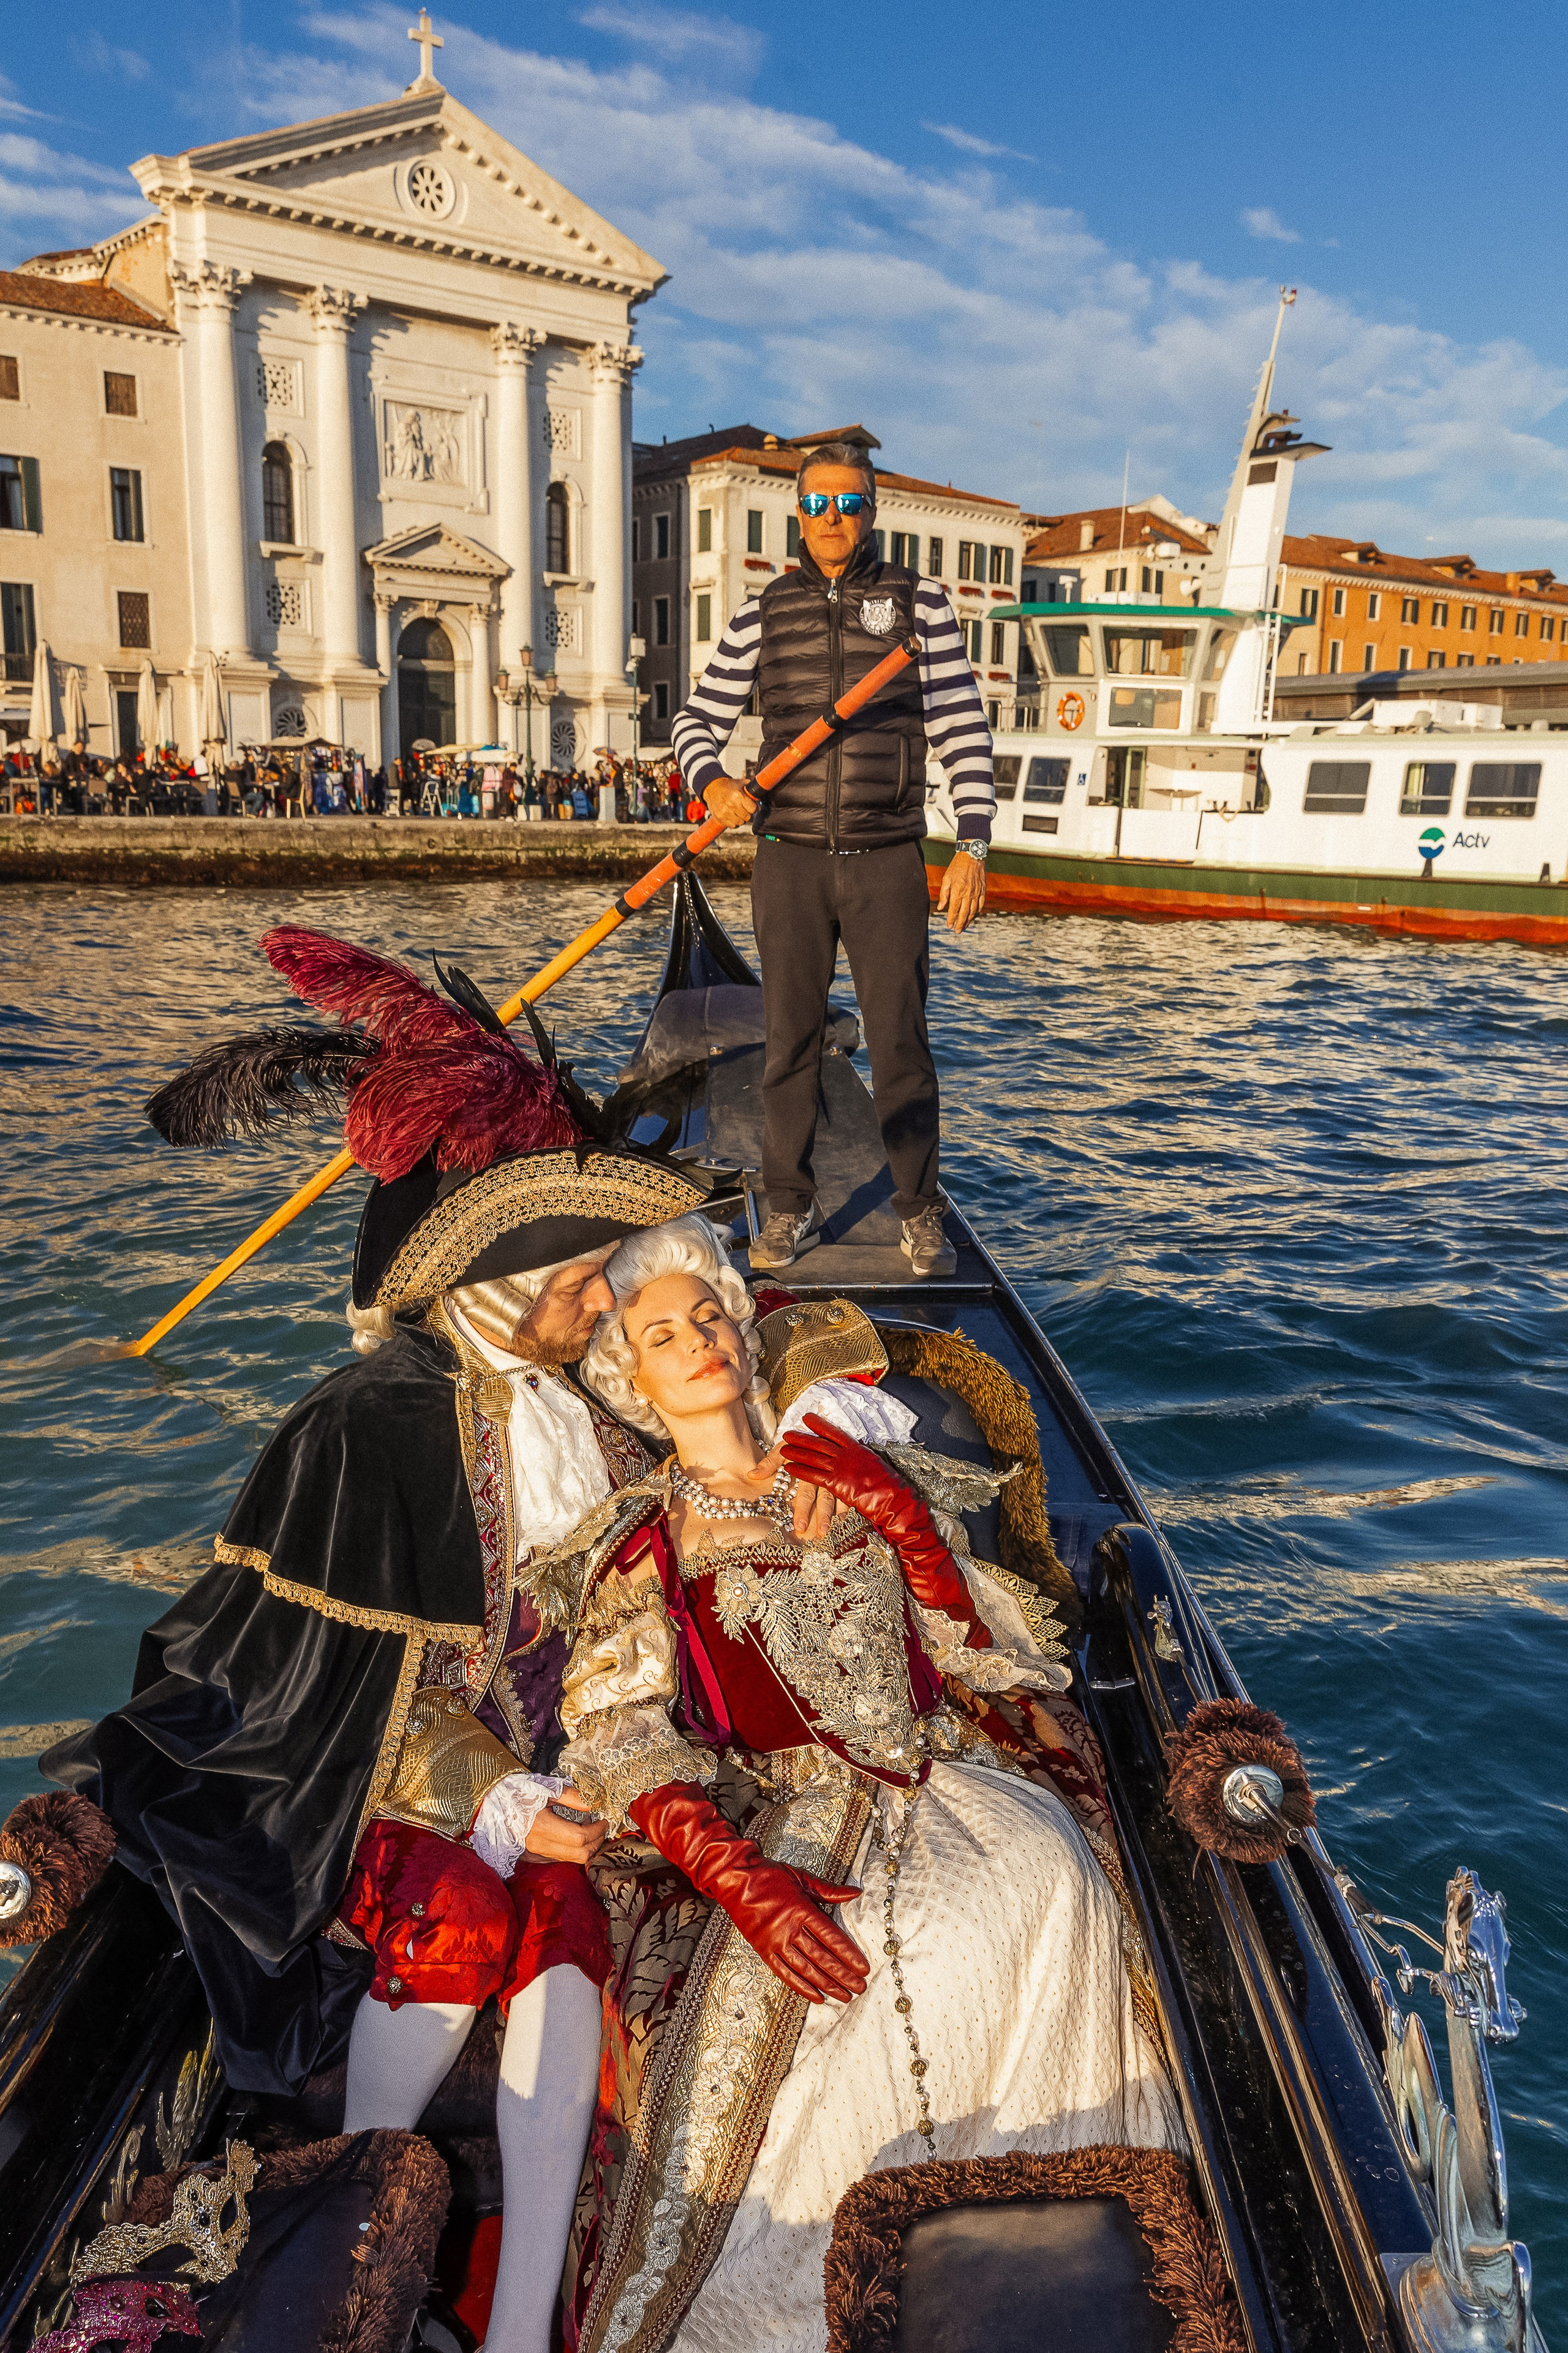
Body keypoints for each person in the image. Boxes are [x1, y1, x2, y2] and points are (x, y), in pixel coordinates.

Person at [45, 927, 724, 2353]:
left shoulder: (588, 1414)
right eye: (582, 1277)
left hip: (571, 1770)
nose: (601, 1301)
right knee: (464, 1916)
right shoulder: (367, 1425)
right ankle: (349, 2223)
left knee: (565, 1939)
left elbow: (631, 1593)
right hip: (383, 1787)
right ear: (491, 1276)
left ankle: (526, 2319)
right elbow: (328, 1687)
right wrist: (491, 1790)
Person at [554, 1214, 1182, 2351]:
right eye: (663, 1333)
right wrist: (738, 1879)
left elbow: (998, 1662)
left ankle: (1045, 2265)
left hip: (942, 1777)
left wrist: (912, 1531)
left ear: (746, 1335)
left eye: (711, 1315)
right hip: (780, 1821)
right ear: (632, 1377)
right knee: (844, 1995)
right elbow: (619, 1731)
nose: (698, 1339)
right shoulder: (644, 1540)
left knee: (1046, 1876)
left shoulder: (862, 1469)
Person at [671, 442, 994, 1280]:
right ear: (798, 515)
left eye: (848, 505)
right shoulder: (762, 613)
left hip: (888, 857)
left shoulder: (920, 605)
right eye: (817, 506)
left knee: (901, 1045)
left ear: (873, 511)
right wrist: (712, 785)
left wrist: (972, 843)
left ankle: (920, 1211)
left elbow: (961, 727)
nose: (832, 520)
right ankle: (785, 1204)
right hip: (791, 858)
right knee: (790, 1043)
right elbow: (693, 722)